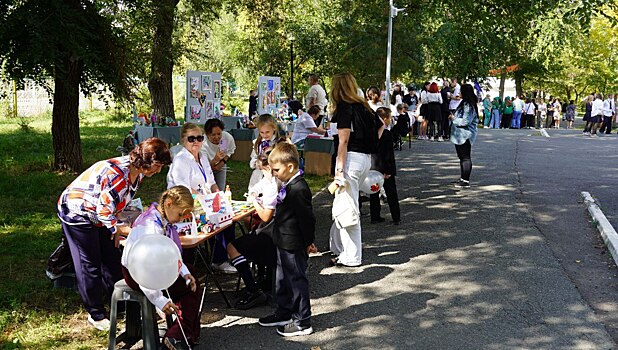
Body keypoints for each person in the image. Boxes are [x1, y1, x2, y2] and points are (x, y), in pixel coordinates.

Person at [57, 138, 171, 330]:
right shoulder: (116, 175)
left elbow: (117, 203)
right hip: (77, 212)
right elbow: (103, 211)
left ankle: (119, 303)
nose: (158, 171)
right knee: (89, 263)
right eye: (157, 165)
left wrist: (116, 229)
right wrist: (119, 229)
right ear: (144, 161)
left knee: (111, 257)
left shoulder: (139, 173)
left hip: (101, 213)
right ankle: (95, 313)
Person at [121, 186, 201, 348]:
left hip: (153, 268)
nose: (180, 219)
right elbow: (143, 271)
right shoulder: (151, 228)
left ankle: (183, 333)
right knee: (189, 290)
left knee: (190, 276)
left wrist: (184, 273)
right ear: (169, 204)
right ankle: (180, 333)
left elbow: (170, 253)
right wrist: (159, 300)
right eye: (180, 214)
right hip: (136, 273)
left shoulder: (161, 219)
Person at [258, 142, 316, 337]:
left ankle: (302, 320)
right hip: (282, 239)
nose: (274, 173)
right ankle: (284, 311)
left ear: (290, 167)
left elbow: (307, 219)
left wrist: (308, 241)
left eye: (276, 169)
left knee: (296, 279)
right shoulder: (288, 183)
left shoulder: (299, 188)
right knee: (282, 278)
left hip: (294, 242)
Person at [328, 72, 381, 267]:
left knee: (348, 208)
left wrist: (339, 171)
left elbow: (343, 141)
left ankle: (351, 255)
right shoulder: (364, 107)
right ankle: (338, 248)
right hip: (364, 159)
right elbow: (381, 125)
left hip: (350, 159)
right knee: (346, 204)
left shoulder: (345, 108)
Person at [167, 123, 235, 273]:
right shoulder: (181, 160)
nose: (196, 142)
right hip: (186, 204)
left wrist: (218, 195)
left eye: (199, 138)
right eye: (191, 138)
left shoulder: (202, 157)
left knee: (229, 219)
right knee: (215, 219)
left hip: (204, 201)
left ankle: (230, 255)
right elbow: (183, 188)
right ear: (183, 140)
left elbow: (211, 181)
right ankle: (219, 260)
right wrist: (206, 200)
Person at [227, 152, 279, 309]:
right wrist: (254, 193)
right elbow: (257, 187)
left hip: (271, 236)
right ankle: (262, 280)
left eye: (263, 170)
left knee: (232, 247)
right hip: (275, 233)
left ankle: (252, 288)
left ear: (268, 168)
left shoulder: (274, 186)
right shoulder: (271, 181)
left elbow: (265, 217)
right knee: (249, 229)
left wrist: (255, 201)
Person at [370, 107, 401, 225]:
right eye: (390, 117)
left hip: (373, 166)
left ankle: (375, 215)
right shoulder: (387, 134)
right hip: (385, 166)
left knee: (374, 191)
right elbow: (388, 153)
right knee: (391, 192)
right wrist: (389, 170)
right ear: (385, 118)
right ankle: (396, 216)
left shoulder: (371, 133)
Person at [449, 84, 478, 188]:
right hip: (460, 135)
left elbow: (466, 121)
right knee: (462, 157)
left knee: (465, 157)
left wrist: (454, 119)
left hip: (465, 135)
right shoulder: (465, 103)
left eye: (460, 91)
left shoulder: (468, 105)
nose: (459, 93)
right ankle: (462, 178)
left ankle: (465, 180)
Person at [203, 118, 236, 190]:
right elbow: (204, 167)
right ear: (207, 134)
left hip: (221, 166)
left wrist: (222, 163)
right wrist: (215, 160)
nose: (217, 137)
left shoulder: (225, 138)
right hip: (206, 168)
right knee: (207, 189)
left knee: (220, 190)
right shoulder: (203, 144)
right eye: (213, 135)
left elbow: (229, 151)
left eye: (219, 134)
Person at [249, 114, 280, 190]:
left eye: (267, 132)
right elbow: (251, 162)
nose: (265, 135)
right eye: (262, 132)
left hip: (273, 178)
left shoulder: (279, 143)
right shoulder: (257, 143)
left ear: (274, 128)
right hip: (257, 178)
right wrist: (257, 162)